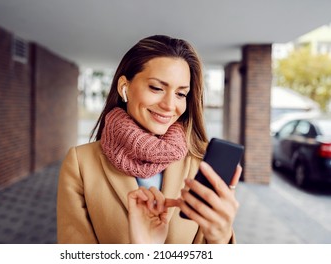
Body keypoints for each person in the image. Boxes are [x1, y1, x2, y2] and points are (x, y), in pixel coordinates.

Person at [57, 35, 242, 244]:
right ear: (124, 87)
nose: (170, 105)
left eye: (181, 94)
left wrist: (221, 237)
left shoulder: (201, 162)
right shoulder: (80, 163)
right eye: (156, 88)